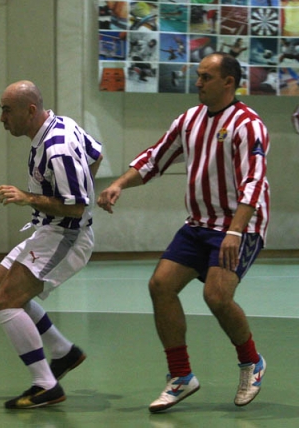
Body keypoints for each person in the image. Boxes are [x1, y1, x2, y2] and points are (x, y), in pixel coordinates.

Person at [97, 52, 269, 413]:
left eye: (206, 77)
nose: (198, 83)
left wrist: (235, 233)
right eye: (199, 76)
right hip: (198, 224)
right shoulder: (190, 119)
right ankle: (181, 376)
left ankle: (251, 362)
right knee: (160, 285)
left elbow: (254, 182)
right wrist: (119, 185)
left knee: (217, 297)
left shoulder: (248, 125)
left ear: (228, 82)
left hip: (239, 226)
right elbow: (155, 158)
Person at [0, 80, 103, 409]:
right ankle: (63, 352)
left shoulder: (58, 147)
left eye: (7, 111)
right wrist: (81, 183)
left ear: (31, 111)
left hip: (68, 236)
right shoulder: (61, 122)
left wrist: (28, 198)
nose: (2, 118)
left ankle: (45, 384)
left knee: (7, 300)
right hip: (49, 230)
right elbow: (96, 153)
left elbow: (78, 207)